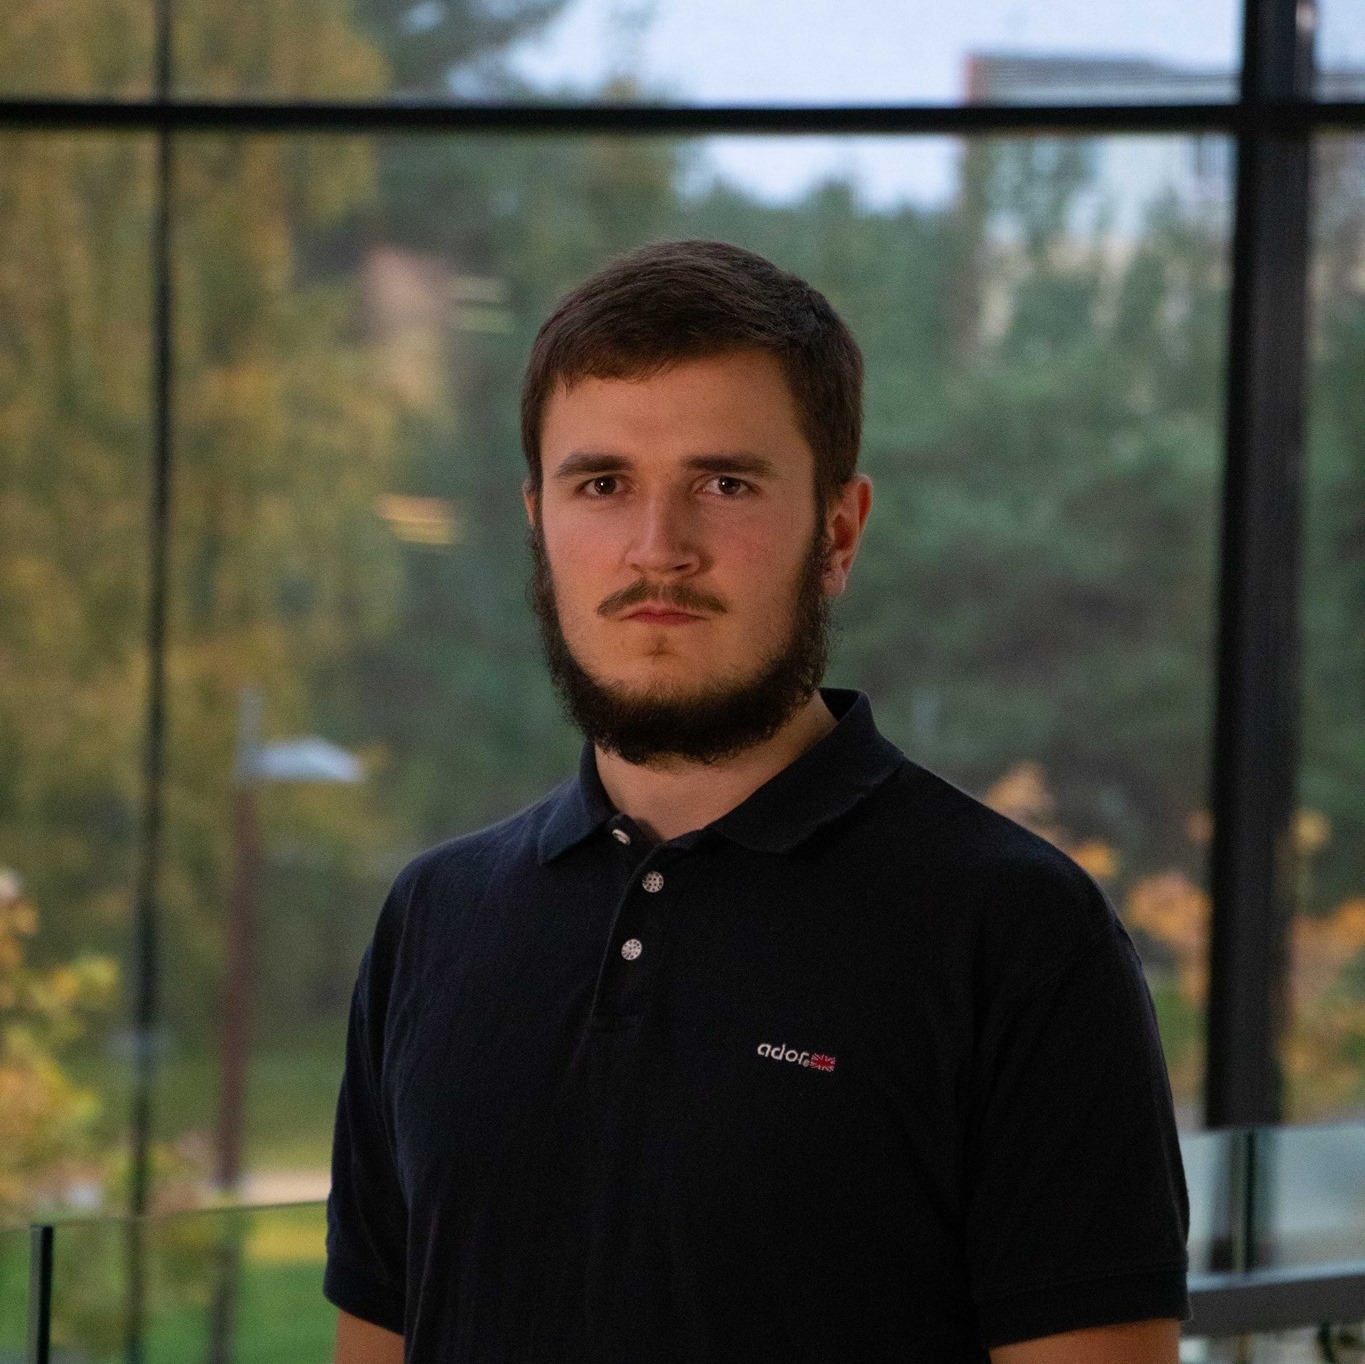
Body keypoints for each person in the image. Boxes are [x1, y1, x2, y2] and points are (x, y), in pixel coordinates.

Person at [325, 239, 1190, 1364]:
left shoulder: (1018, 933)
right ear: (537, 519)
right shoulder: (433, 919)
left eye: (723, 484)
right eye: (602, 484)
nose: (658, 550)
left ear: (837, 531)